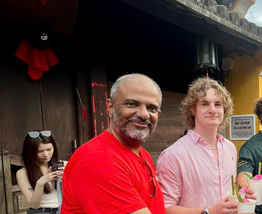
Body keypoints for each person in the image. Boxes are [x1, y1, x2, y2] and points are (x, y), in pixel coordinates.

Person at [62, 73, 165, 214]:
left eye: (151, 108)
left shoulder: (143, 154)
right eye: (132, 104)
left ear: (157, 115)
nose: (144, 114)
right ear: (110, 107)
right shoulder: (98, 159)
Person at [156, 78, 238, 214]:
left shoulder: (230, 148)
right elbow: (164, 208)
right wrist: (208, 211)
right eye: (205, 104)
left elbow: (230, 191)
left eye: (218, 104)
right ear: (193, 109)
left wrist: (243, 196)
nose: (212, 110)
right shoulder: (173, 155)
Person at [16, 131, 64, 214]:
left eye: (49, 149)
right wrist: (40, 183)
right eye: (39, 151)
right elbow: (34, 205)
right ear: (30, 152)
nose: (46, 154)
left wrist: (67, 178)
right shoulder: (23, 173)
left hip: (63, 210)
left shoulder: (64, 165)